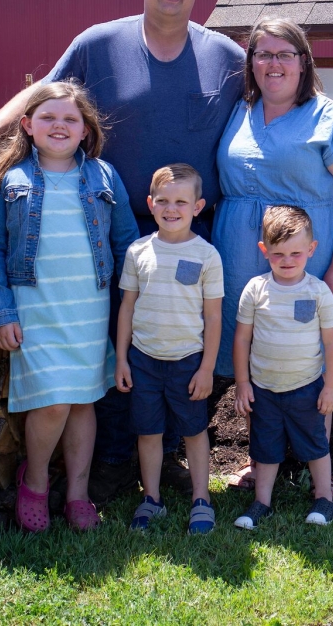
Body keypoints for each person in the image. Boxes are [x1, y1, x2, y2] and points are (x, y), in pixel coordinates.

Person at [0, 0, 245, 502]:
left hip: (189, 230)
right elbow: (43, 95)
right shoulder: (98, 44)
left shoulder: (227, 57)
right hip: (109, 229)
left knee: (179, 341)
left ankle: (169, 454)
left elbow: (276, 103)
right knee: (114, 342)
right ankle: (112, 461)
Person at [213, 16, 333, 490]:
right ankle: (262, 460)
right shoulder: (239, 112)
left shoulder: (331, 119)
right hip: (240, 256)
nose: (273, 63)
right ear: (251, 63)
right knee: (257, 350)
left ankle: (314, 464)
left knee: (307, 353)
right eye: (263, 54)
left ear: (303, 62)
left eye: (285, 54)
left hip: (308, 260)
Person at [0, 81, 140, 532]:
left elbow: (126, 240)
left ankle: (77, 494)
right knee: (52, 404)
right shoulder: (10, 181)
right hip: (36, 309)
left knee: (84, 401)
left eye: (70, 119)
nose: (59, 126)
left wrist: (134, 300)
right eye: (48, 117)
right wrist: (2, 313)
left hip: (89, 308)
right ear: (27, 125)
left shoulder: (104, 176)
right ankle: (34, 482)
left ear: (85, 130)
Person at [114, 164, 222, 534]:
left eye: (181, 202)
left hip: (188, 362)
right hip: (143, 360)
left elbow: (214, 316)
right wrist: (122, 359)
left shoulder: (207, 255)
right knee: (148, 432)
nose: (171, 209)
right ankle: (152, 498)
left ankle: (201, 499)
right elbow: (127, 307)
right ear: (150, 204)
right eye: (162, 201)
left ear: (198, 207)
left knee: (194, 430)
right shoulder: (138, 251)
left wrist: (207, 368)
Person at [232, 206, 333, 528]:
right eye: (278, 253)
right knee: (265, 448)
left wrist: (331, 387)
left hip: (306, 387)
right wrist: (242, 383)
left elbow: (332, 343)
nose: (287, 260)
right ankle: (261, 503)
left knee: (316, 445)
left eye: (296, 253)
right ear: (264, 250)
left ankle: (324, 498)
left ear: (311, 249)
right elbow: (242, 339)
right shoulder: (256, 289)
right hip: (263, 389)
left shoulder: (318, 291)